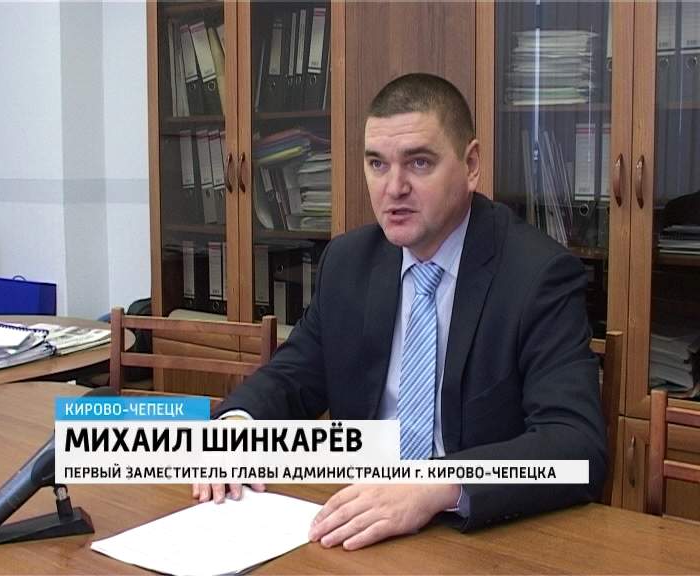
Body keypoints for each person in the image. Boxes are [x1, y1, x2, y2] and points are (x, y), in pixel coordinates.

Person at [193, 73, 606, 550]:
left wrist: (435, 484)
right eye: (377, 163)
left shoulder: (536, 275)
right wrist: (236, 429)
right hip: (359, 526)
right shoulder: (349, 262)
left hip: (479, 540)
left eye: (419, 163)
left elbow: (575, 446)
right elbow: (293, 375)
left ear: (471, 165)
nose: (393, 188)